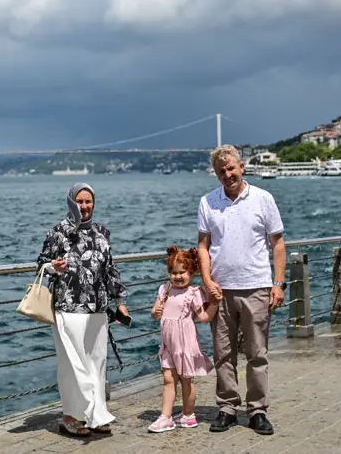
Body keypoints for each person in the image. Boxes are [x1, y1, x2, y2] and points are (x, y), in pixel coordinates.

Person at [197, 144, 286, 435]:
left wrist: (278, 283)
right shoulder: (208, 202)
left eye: (231, 168)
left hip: (256, 286)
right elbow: (203, 246)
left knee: (257, 353)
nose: (227, 174)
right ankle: (227, 408)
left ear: (242, 167)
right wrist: (207, 281)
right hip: (220, 290)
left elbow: (278, 244)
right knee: (223, 353)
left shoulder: (263, 198)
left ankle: (257, 410)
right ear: (216, 174)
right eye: (221, 171)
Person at [37, 182, 130, 438]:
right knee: (71, 365)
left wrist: (120, 302)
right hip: (67, 307)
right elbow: (41, 264)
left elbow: (110, 270)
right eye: (80, 201)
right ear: (71, 202)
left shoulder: (102, 233)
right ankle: (70, 416)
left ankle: (95, 415)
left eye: (89, 201)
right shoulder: (58, 232)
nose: (85, 206)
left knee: (96, 364)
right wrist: (53, 266)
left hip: (97, 308)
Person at [147, 245, 219, 433]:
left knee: (187, 380)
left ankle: (188, 414)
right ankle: (166, 416)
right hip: (168, 344)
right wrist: (155, 312)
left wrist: (215, 303)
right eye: (174, 272)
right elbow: (155, 312)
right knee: (168, 379)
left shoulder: (194, 293)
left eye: (182, 272)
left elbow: (204, 318)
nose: (178, 276)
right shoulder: (165, 289)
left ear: (191, 272)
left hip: (185, 343)